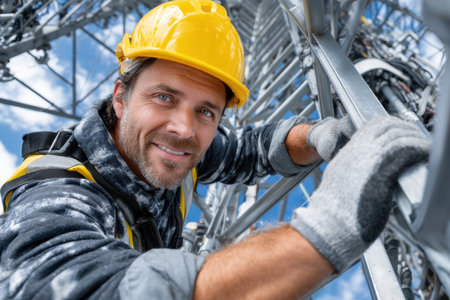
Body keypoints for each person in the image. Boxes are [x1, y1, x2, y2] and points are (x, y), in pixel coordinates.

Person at [0, 1, 429, 299]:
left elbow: (249, 149)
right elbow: (69, 287)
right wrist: (328, 229)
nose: (184, 129)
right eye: (164, 97)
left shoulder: (180, 151)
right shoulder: (58, 195)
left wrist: (318, 136)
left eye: (206, 111)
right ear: (119, 96)